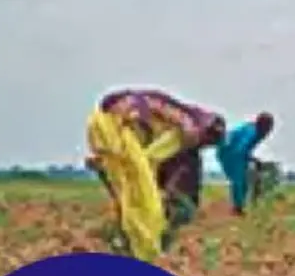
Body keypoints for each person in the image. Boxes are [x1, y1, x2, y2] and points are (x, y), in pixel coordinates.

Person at [86, 89, 226, 260]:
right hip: (149, 151)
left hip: (161, 158)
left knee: (162, 206)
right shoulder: (170, 119)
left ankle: (145, 244)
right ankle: (138, 244)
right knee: (143, 203)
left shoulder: (178, 133)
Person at [215, 112, 276, 215]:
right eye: (268, 127)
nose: (269, 131)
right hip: (228, 152)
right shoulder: (253, 133)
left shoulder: (255, 130)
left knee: (242, 181)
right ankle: (237, 208)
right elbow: (240, 150)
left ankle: (239, 206)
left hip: (231, 151)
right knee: (238, 180)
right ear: (261, 125)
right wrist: (253, 160)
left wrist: (252, 160)